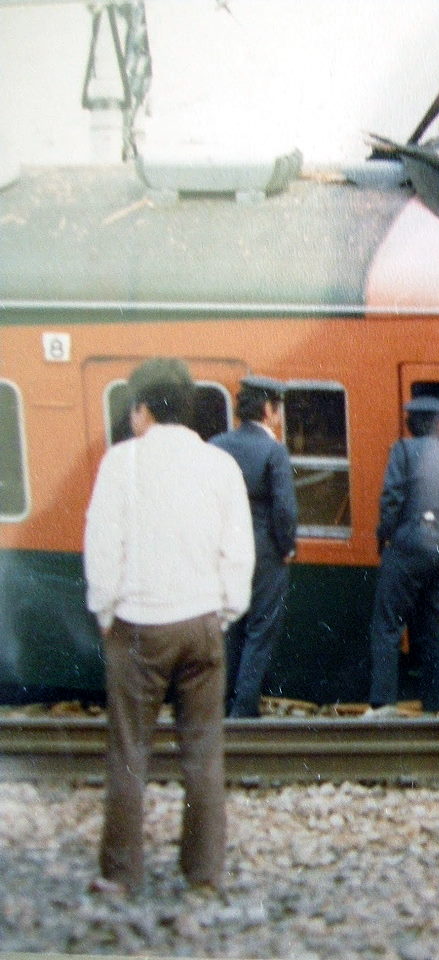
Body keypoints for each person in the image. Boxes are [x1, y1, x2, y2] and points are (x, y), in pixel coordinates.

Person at [83, 357, 254, 897]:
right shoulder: (220, 464)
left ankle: (122, 875)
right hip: (203, 623)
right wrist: (224, 610)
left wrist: (105, 610)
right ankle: (202, 875)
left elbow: (103, 546)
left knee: (129, 752)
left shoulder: (121, 463)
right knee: (204, 754)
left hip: (138, 624)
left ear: (140, 410)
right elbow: (238, 550)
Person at [366, 396, 439, 717]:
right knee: (432, 630)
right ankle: (436, 706)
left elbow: (391, 497)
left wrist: (385, 537)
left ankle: (383, 705)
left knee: (387, 626)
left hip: (404, 547)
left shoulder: (402, 450)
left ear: (409, 425)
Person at [209, 375, 298, 718]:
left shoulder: (217, 444)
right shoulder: (273, 450)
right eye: (278, 409)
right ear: (267, 409)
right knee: (260, 629)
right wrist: (287, 546)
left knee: (230, 627)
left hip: (223, 549)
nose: (279, 416)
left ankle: (222, 704)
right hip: (264, 551)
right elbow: (285, 509)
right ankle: (244, 710)